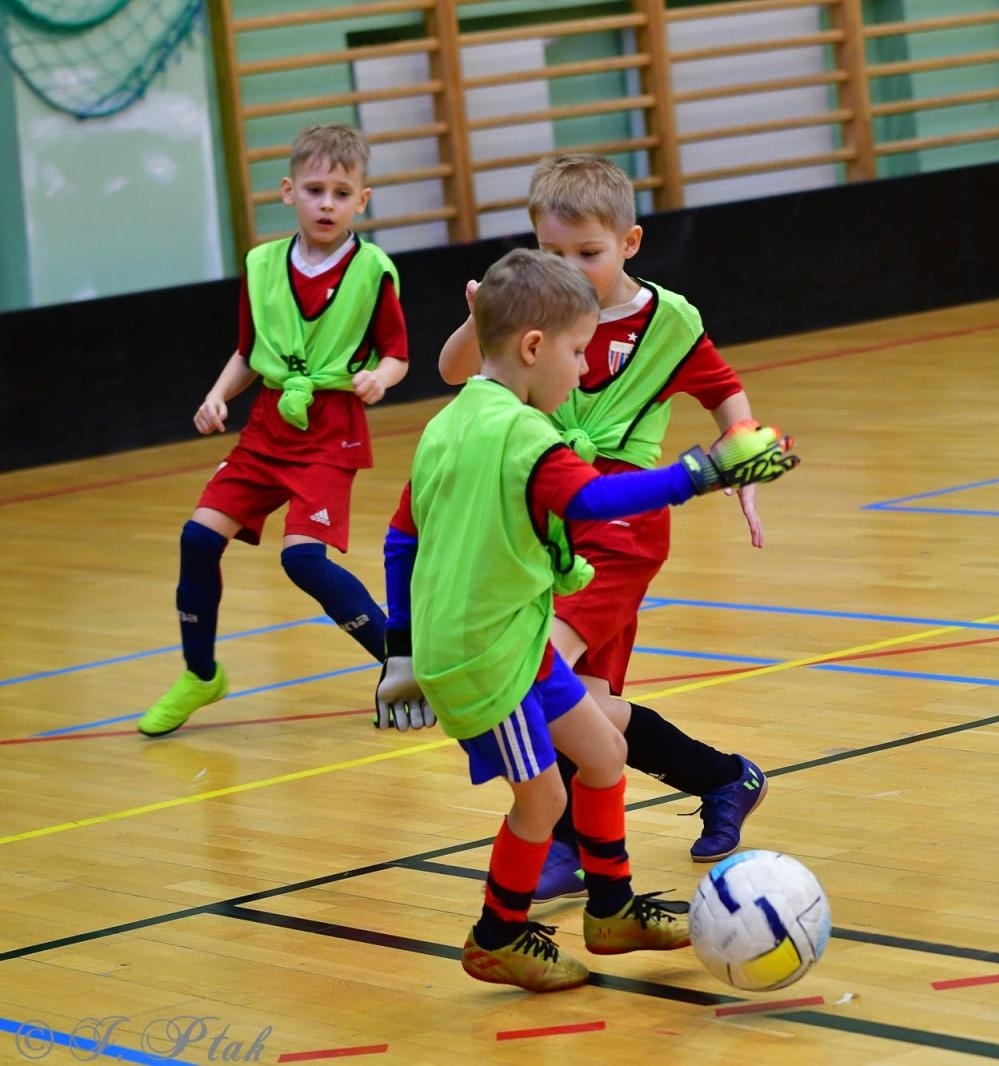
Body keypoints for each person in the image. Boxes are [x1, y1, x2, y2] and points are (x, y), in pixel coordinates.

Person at [398, 247, 797, 991]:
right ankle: (497, 937)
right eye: (579, 352)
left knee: (604, 750)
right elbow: (591, 501)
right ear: (533, 348)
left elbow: (399, 536)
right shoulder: (521, 435)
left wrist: (397, 649)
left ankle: (611, 911)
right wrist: (701, 472)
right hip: (485, 657)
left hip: (518, 636)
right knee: (544, 799)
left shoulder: (452, 422)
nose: (586, 371)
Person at [421, 154, 777, 895]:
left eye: (588, 253)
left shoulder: (669, 321)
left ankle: (560, 839)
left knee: (533, 670)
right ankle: (721, 777)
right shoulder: (533, 307)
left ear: (630, 243)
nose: (571, 270)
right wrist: (480, 314)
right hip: (544, 519)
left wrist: (740, 465)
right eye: (552, 252)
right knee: (582, 703)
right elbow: (454, 371)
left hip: (621, 519)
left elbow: (724, 390)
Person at [139, 124, 408, 737]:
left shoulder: (373, 270)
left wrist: (381, 378)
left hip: (331, 432)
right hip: (267, 428)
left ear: (362, 201)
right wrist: (217, 396)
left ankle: (400, 665)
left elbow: (397, 353)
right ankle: (201, 675)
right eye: (315, 190)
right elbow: (247, 352)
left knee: (304, 562)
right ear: (289, 192)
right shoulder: (262, 265)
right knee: (198, 539)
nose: (327, 204)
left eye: (342, 193)